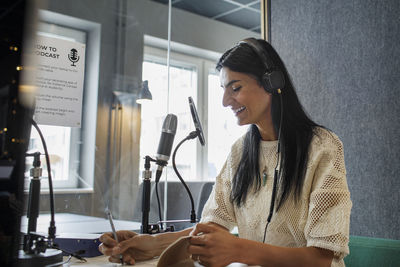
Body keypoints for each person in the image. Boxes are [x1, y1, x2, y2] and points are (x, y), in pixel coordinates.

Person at [99, 38, 352, 267]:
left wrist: (238, 249)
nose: (225, 101)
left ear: (271, 82)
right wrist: (151, 244)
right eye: (223, 89)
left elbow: (321, 258)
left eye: (235, 87)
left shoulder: (323, 147)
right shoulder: (240, 151)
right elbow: (212, 226)